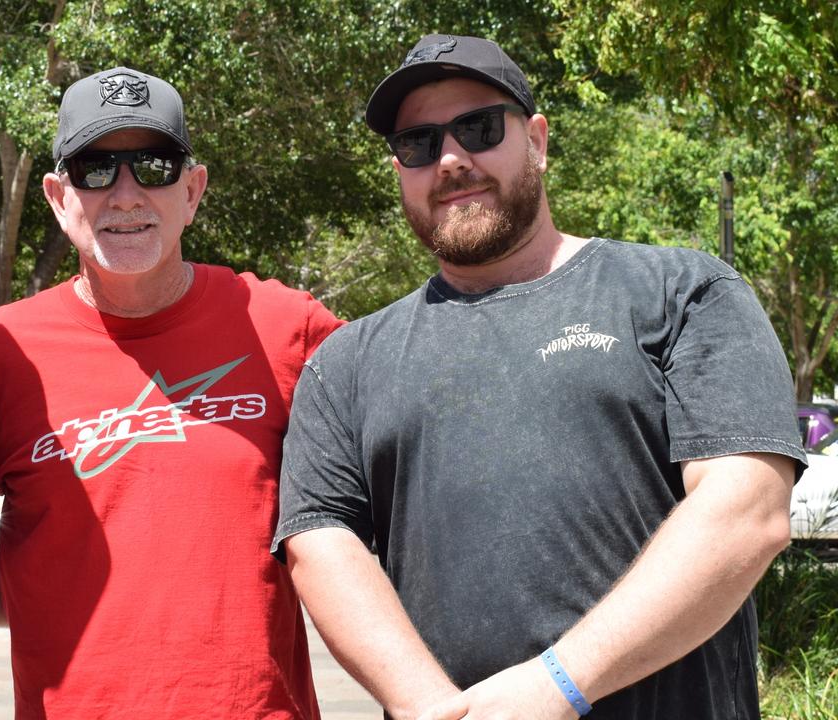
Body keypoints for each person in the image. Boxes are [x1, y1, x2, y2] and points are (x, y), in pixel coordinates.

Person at [273, 34, 803, 720]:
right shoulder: (346, 365)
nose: (453, 160)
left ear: (539, 140)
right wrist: (433, 708)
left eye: (479, 128)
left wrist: (558, 685)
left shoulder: (683, 292)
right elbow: (321, 542)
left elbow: (748, 512)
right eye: (419, 144)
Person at [0, 66, 342, 718]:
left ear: (193, 191)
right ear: (57, 196)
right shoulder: (2, 355)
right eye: (95, 169)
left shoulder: (287, 328)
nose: (126, 195)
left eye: (155, 166)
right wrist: (50, 583)